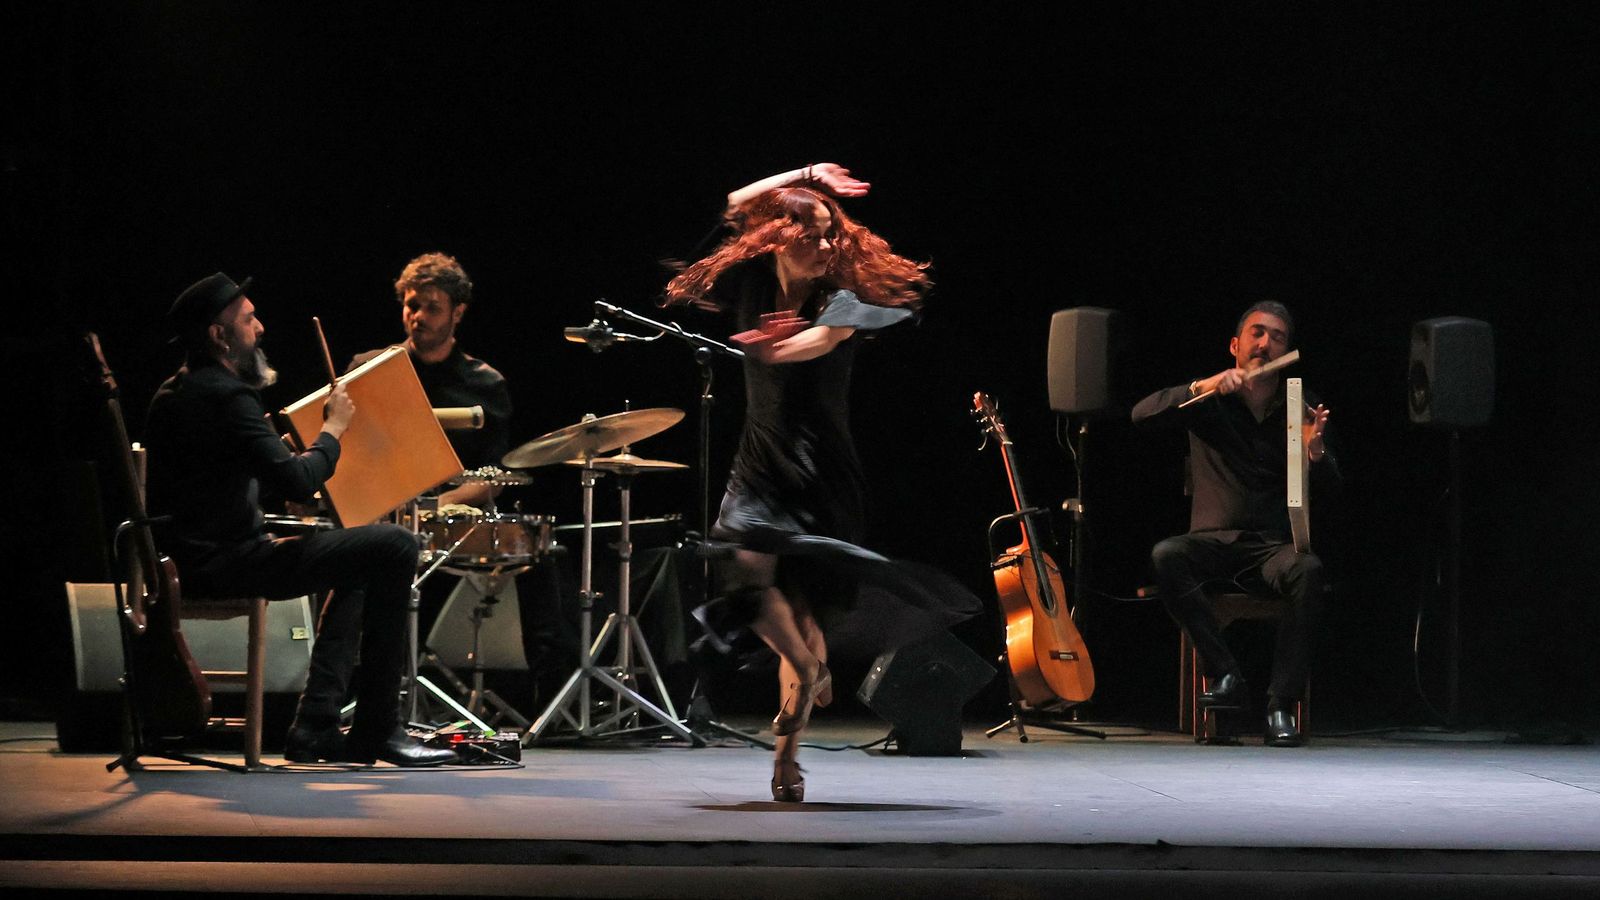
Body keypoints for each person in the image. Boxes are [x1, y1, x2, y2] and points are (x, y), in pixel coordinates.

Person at [665, 164, 979, 801]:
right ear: (778, 236)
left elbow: (826, 338)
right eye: (811, 233)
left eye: (832, 232)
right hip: (760, 458)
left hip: (820, 470)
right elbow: (735, 200)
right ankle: (807, 672)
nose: (827, 244)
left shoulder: (843, 293)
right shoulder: (754, 280)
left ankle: (787, 759)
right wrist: (808, 173)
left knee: (804, 614)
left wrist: (775, 349)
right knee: (741, 572)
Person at [143, 272, 457, 767]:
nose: (260, 328)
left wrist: (280, 449)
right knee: (396, 544)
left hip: (183, 561)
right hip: (227, 564)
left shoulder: (174, 392)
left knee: (361, 555)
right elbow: (297, 482)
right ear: (219, 336)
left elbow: (220, 477)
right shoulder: (227, 396)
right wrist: (333, 430)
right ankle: (379, 729)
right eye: (248, 320)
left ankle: (316, 725)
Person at [349, 253, 571, 701]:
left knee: (542, 557)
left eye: (432, 307)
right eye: (412, 305)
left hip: (451, 521)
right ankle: (363, 692)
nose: (418, 317)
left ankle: (549, 698)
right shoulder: (371, 369)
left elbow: (495, 475)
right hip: (381, 515)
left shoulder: (484, 383)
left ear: (458, 312)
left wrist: (435, 507)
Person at [1131, 301, 1337, 747]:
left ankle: (1280, 706)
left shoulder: (1299, 404)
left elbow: (1334, 489)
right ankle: (1227, 675)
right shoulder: (1209, 402)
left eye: (1277, 337)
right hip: (1213, 542)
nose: (1266, 343)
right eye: (1257, 333)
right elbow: (1141, 415)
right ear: (1235, 346)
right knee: (1167, 556)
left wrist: (1315, 453)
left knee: (1309, 570)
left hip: (1270, 548)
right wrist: (1204, 384)